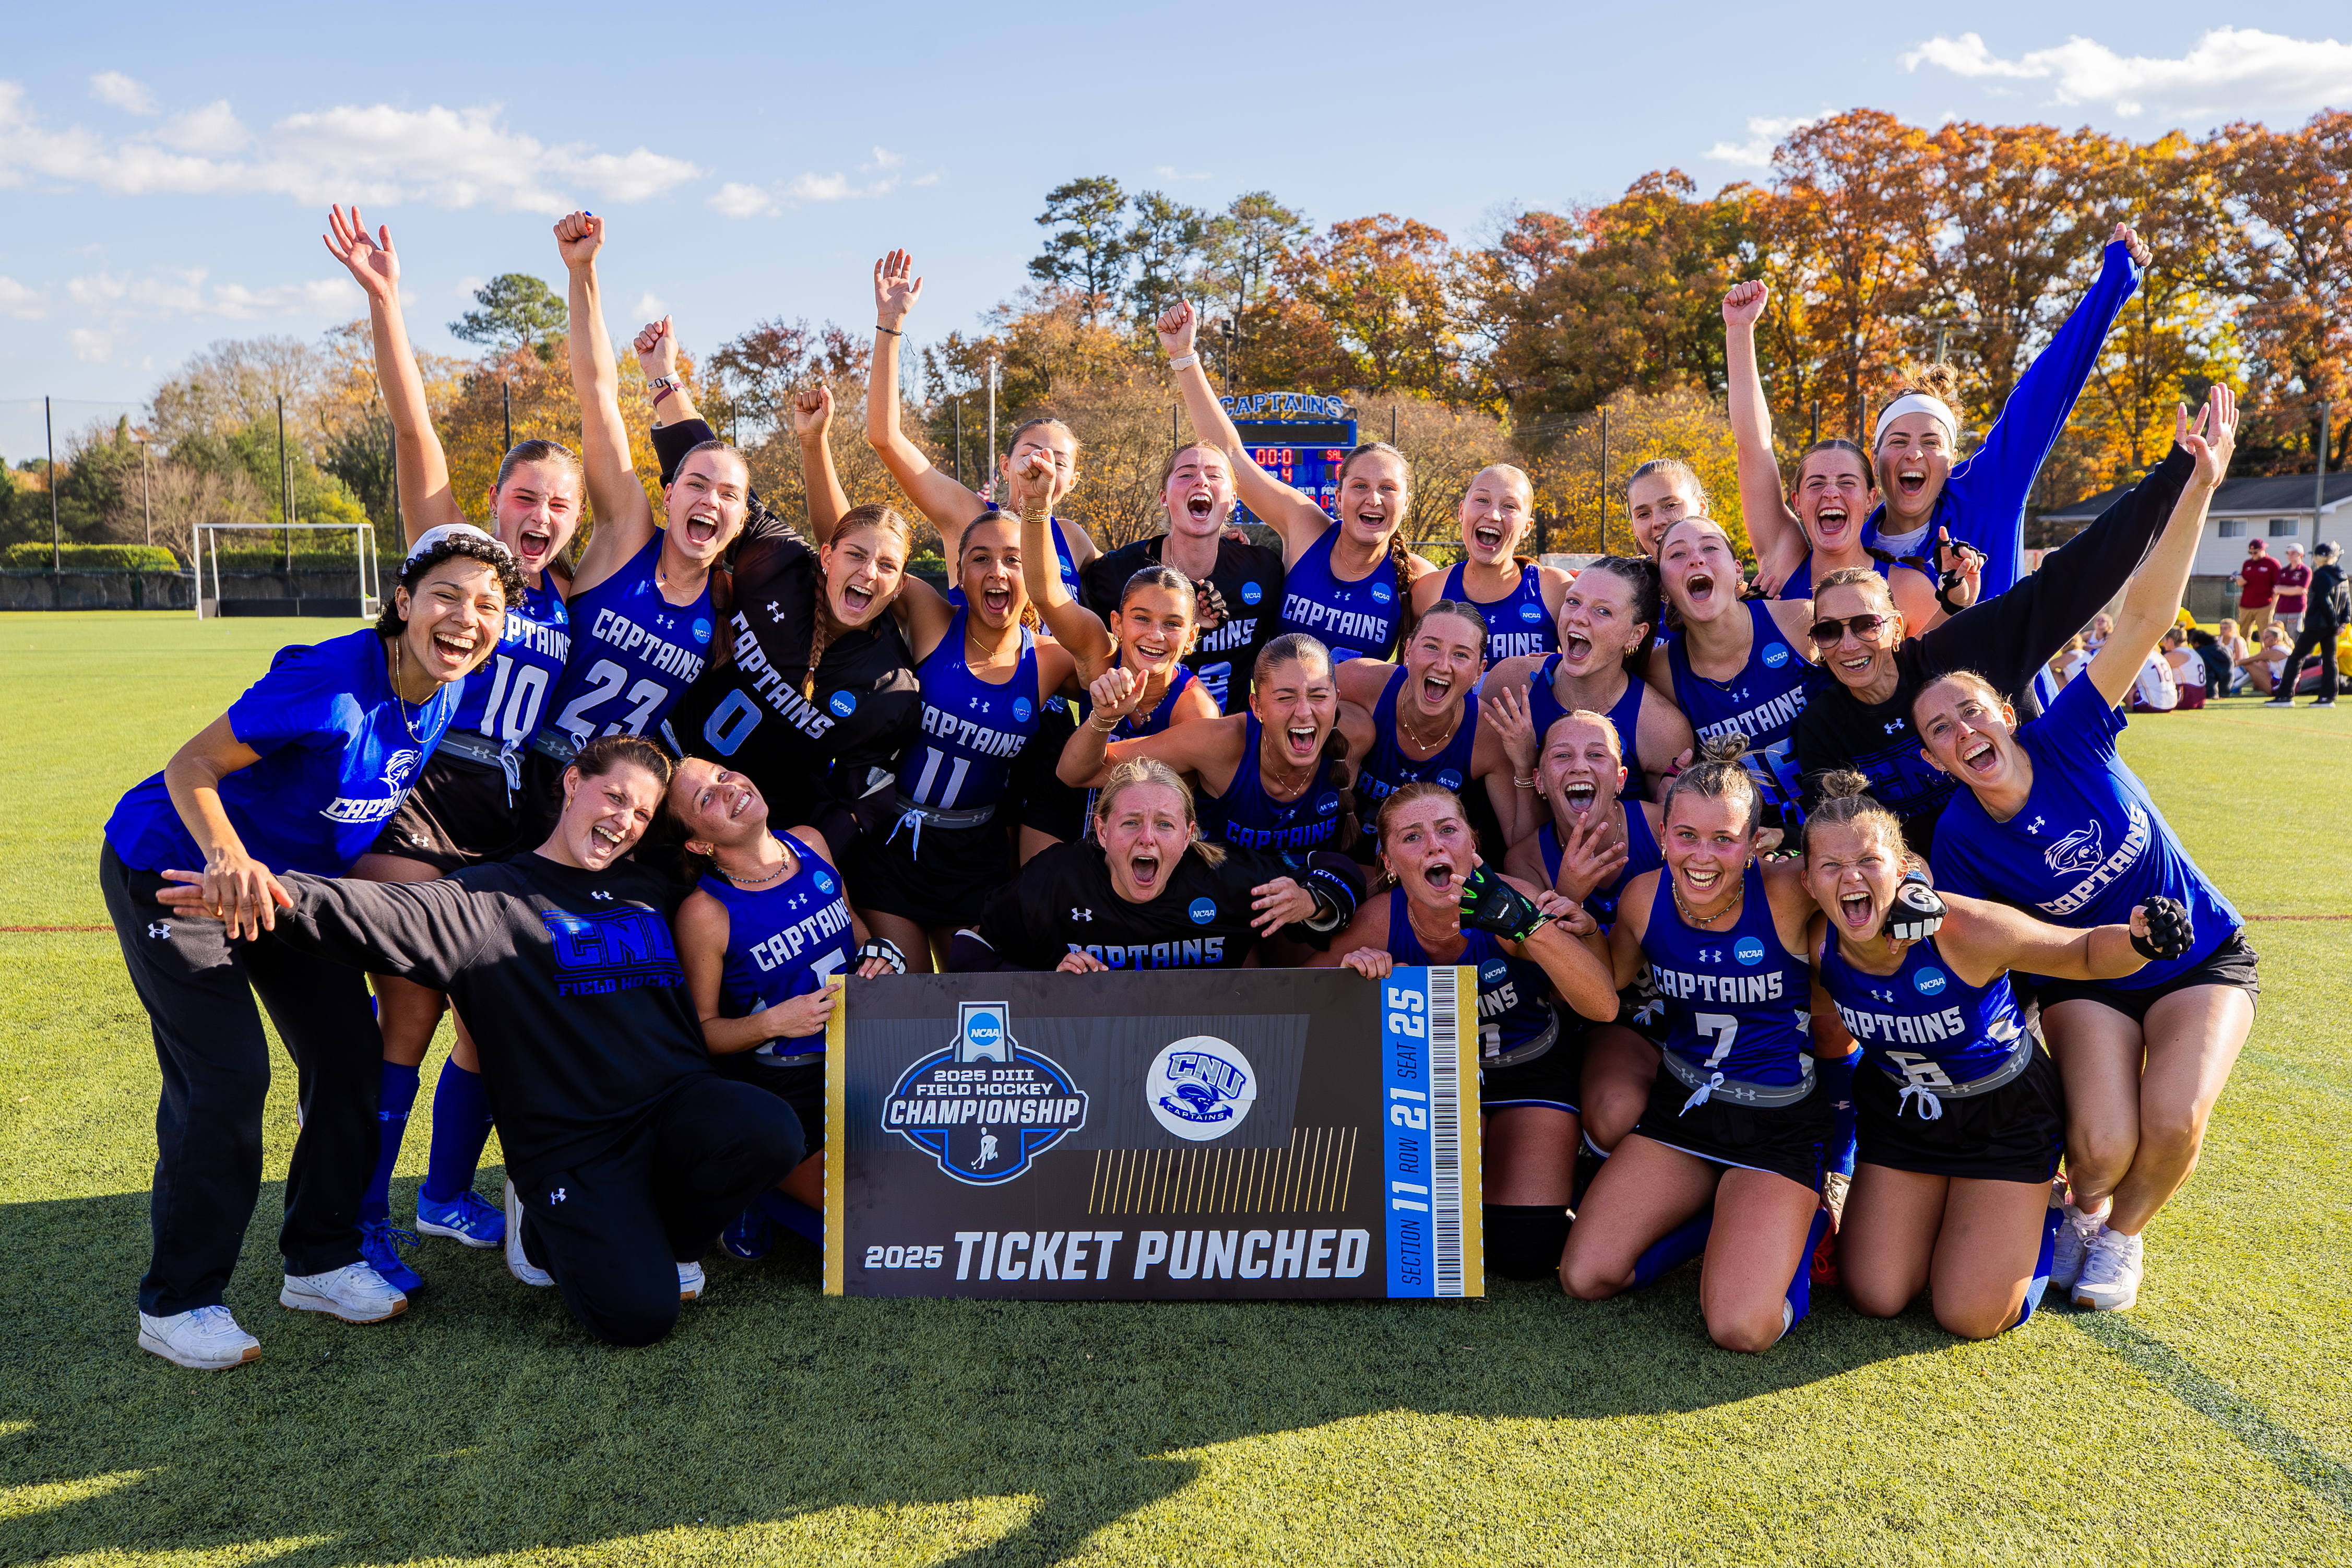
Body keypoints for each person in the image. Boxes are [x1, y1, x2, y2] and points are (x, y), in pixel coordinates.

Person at [154, 737, 806, 1349]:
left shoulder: (650, 889)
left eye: (641, 813)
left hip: (673, 1110)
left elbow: (748, 864)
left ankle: (655, 1235)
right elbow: (375, 912)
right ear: (573, 782)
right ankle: (556, 1234)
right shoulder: (486, 901)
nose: (623, 820)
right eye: (614, 797)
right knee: (640, 1316)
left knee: (769, 1129)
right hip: (576, 1145)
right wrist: (271, 892)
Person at [102, 529, 525, 1369]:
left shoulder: (444, 689)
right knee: (226, 1078)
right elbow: (192, 766)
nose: (465, 619)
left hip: (281, 890)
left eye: (487, 605)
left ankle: (322, 1259)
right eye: (446, 595)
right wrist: (226, 854)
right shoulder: (329, 679)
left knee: (350, 1058)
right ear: (404, 600)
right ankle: (178, 1302)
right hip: (176, 867)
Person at [1917, 385, 2249, 1313]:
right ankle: (2084, 1200)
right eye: (1940, 731)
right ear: (1937, 757)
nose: (1961, 732)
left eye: (1969, 710)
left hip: (2197, 957)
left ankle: (2120, 1237)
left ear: (2001, 709)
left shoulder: (2070, 731)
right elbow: (1986, 946)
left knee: (2175, 1117)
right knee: (2101, 1142)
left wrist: (2199, 488)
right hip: (2089, 975)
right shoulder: (1960, 838)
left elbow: (2141, 617)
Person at [322, 207, 592, 1277]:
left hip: (515, 813)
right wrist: (387, 303)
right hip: (426, 795)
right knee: (414, 1005)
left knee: (492, 1012)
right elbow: (412, 433)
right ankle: (359, 1222)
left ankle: (442, 1196)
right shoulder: (459, 554)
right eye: (526, 494)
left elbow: (603, 412)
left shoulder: (565, 590)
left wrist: (582, 283)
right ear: (493, 500)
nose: (541, 511)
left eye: (558, 502)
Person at [1802, 774, 2172, 1338]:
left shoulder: (1962, 929)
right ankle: (1959, 1215)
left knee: (1969, 1315)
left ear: (1903, 870)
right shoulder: (1815, 945)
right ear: (1807, 882)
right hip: (1905, 1117)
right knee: (1875, 1293)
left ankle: (2044, 1210)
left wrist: (2140, 940)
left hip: (2003, 1115)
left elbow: (2082, 952)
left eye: (1868, 861)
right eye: (1830, 866)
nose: (1850, 876)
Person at [1789, 388, 2230, 855]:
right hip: (1952, 889)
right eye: (1828, 631)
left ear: (1898, 628)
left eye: (1865, 625)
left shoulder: (1963, 651)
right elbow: (1834, 831)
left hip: (2070, 834)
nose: (1849, 643)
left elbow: (2070, 580)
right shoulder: (1823, 725)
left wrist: (2176, 477)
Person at [1559, 739, 1836, 1353]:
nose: (1703, 856)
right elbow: (1612, 982)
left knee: (1740, 1329)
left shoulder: (1790, 890)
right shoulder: (1643, 898)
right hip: (1682, 1112)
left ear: (1755, 842)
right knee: (1586, 1275)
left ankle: (1800, 1219)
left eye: (1724, 839)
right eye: (1686, 836)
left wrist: (1913, 879)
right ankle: (1722, 1219)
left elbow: (1876, 859)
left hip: (1777, 1125)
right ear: (1662, 834)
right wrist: (1576, 923)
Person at [1735, 227, 2148, 605]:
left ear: (1952, 462)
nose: (1914, 453)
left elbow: (2044, 395)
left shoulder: (1985, 496)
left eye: (1931, 443)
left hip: (1996, 688)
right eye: (1898, 442)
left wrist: (2115, 285)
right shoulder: (1845, 541)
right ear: (1876, 462)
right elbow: (1756, 447)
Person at [1315, 785, 1619, 1282]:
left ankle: (1574, 1177)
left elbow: (1603, 1005)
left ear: (1471, 843)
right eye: (1413, 837)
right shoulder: (1378, 920)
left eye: (1447, 830)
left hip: (1527, 1068)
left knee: (1524, 1252)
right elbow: (1300, 1000)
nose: (1435, 846)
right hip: (1432, 1084)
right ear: (1389, 861)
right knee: (1420, 1238)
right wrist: (1353, 980)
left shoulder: (1511, 898)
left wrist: (1527, 927)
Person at [666, 759, 904, 1260]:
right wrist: (777, 1021)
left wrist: (879, 954)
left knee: (933, 1186)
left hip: (864, 1057)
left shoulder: (810, 843)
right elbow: (702, 1032)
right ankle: (758, 1189)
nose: (727, 789)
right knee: (873, 1218)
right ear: (698, 844)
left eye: (722, 775)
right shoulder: (705, 913)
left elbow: (855, 929)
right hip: (789, 1084)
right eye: (705, 799)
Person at [542, 214, 749, 766]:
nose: (710, 500)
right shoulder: (629, 533)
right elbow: (598, 396)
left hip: (612, 800)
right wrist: (582, 272)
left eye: (729, 495)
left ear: (743, 519)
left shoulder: (730, 599)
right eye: (697, 484)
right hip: (531, 765)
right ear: (669, 495)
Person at [850, 509, 1083, 971]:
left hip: (976, 855)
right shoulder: (932, 618)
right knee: (907, 994)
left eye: (1014, 560)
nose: (997, 571)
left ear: (1035, 573)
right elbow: (852, 551)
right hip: (893, 843)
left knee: (974, 994)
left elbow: (1127, 662)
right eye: (981, 558)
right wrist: (815, 444)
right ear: (960, 573)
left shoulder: (1051, 661)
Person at [1159, 299, 1438, 663]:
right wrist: (1184, 356)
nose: (1373, 498)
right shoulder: (1308, 529)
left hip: (1360, 720)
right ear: (1337, 498)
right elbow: (1230, 456)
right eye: (1360, 486)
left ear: (1406, 502)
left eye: (1388, 488)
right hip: (1280, 715)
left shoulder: (1418, 578)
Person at [948, 758, 1365, 971]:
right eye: (1131, 823)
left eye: (1165, 825)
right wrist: (1046, 985)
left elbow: (1339, 870)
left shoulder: (1224, 878)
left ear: (1188, 836)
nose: (1147, 837)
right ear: (1102, 830)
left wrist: (1311, 901)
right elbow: (970, 949)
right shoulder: (1056, 880)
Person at [865, 249, 1097, 595]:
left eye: (1059, 461)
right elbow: (885, 437)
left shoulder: (1073, 539)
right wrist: (890, 323)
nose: (1042, 462)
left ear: (1073, 481)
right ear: (1005, 466)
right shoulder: (969, 516)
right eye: (1032, 451)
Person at [1502, 710, 1669, 1162]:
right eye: (1562, 756)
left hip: (1695, 997)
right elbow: (1556, 990)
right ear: (1539, 780)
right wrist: (1568, 893)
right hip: (1609, 1021)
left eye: (1597, 755)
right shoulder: (1527, 863)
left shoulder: (1665, 830)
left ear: (1619, 779)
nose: (1579, 766)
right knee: (1615, 1111)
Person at [1059, 634, 1371, 867]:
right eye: (1285, 697)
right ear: (1257, 706)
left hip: (1315, 901)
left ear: (1336, 698)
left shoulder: (1358, 736)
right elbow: (1076, 772)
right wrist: (1104, 718)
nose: (1304, 712)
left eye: (1318, 696)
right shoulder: (1219, 744)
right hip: (1225, 906)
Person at [1080, 442, 1288, 716]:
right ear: (1164, 497)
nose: (1201, 480)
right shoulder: (1114, 574)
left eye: (1214, 475)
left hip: (1227, 743)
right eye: (1186, 474)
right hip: (1140, 741)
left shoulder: (1262, 569)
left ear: (1233, 501)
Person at [1648, 516, 1818, 837]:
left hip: (1838, 820)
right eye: (1677, 554)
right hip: (1746, 845)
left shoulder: (1799, 622)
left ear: (1739, 570)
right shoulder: (1659, 673)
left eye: (1710, 548)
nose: (1696, 558)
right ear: (1664, 586)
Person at [1336, 601, 1541, 860]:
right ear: (1408, 650)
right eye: (1431, 647)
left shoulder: (1487, 735)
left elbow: (1521, 844)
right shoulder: (1360, 682)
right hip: (1347, 861)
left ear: (1479, 671)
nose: (1443, 665)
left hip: (1437, 873)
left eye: (1461, 655)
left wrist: (1524, 765)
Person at [1490, 556, 1696, 803]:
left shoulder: (1662, 730)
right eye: (1573, 601)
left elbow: (1660, 834)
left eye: (1603, 611)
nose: (1578, 617)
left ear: (1636, 634)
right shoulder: (1511, 683)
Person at [1409, 464, 1571, 664]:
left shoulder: (1555, 589)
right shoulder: (1428, 591)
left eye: (1509, 506)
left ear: (1527, 528)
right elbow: (1407, 678)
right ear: (1461, 511)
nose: (1493, 515)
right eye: (1482, 500)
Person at [2270, 540, 2345, 708]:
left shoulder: (2321, 575)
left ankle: (2284, 697)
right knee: (2330, 659)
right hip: (2330, 626)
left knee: (2296, 657)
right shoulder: (2342, 575)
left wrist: (2333, 623)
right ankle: (2327, 697)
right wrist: (2342, 623)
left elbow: (2325, 602)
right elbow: (2347, 603)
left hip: (2317, 624)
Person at [1624, 458, 1714, 561]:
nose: (1658, 522)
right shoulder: (1616, 576)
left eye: (1671, 506)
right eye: (1643, 514)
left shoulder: (1732, 573)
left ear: (1702, 507)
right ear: (1634, 528)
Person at [2231, 538, 2282, 639]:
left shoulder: (2272, 563)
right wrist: (2241, 582)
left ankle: (2265, 655)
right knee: (2243, 634)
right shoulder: (2247, 564)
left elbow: (2278, 587)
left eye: (2255, 552)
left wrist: (2272, 607)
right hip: (2246, 605)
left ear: (2262, 550)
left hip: (2264, 606)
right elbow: (2244, 580)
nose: (2253, 555)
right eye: (2251, 552)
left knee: (2265, 635)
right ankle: (2244, 655)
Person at [2160, 627, 2207, 709]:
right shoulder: (2192, 652)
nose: (2163, 644)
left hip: (2186, 697)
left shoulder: (2174, 655)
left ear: (2171, 641)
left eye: (2164, 640)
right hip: (2201, 698)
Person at [2273, 543, 2311, 638]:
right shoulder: (2283, 571)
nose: (2290, 556)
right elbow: (2276, 589)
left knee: (2293, 636)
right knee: (2277, 635)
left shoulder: (2305, 571)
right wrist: (2293, 590)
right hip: (2281, 609)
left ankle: (2294, 654)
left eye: (2293, 553)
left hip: (2296, 609)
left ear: (2301, 555)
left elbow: (2301, 590)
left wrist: (2283, 590)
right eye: (2288, 553)